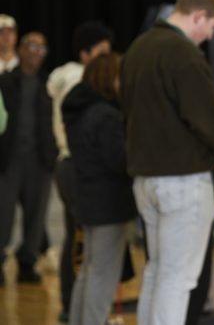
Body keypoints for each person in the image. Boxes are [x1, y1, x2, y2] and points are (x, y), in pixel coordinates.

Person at [120, 0, 214, 325]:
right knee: (178, 280)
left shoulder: (137, 48)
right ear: (199, 16)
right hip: (182, 183)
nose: (211, 36)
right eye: (212, 27)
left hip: (146, 180)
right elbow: (207, 121)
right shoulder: (183, 54)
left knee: (157, 273)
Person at [61, 52, 137, 325]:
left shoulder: (80, 110)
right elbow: (120, 159)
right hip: (109, 205)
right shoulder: (104, 115)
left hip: (90, 201)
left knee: (90, 271)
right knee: (102, 275)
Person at [47, 20, 113, 322]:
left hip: (68, 165)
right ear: (85, 54)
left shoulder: (65, 77)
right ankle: (78, 309)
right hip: (79, 166)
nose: (107, 60)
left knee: (79, 244)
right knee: (88, 251)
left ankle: (71, 307)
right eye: (101, 53)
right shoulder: (79, 81)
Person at [0, 31, 57, 285]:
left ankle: (27, 260)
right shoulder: (5, 81)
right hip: (8, 159)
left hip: (40, 160)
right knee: (3, 214)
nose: (36, 53)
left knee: (36, 216)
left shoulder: (49, 84)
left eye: (42, 49)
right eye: (32, 46)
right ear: (21, 49)